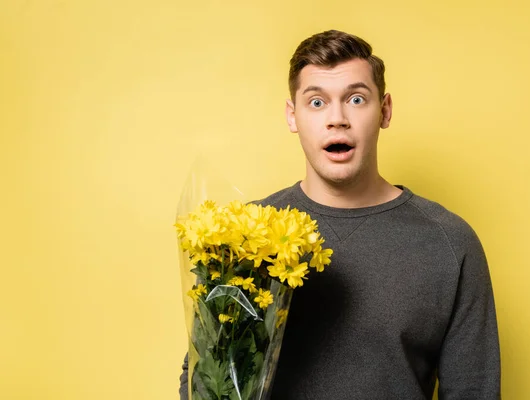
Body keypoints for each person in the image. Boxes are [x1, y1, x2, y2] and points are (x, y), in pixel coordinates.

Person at [180, 29, 501, 399]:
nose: (337, 119)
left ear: (385, 110)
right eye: (316, 102)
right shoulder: (243, 238)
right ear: (292, 116)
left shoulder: (450, 243)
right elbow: (201, 375)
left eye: (356, 99)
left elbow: (474, 392)